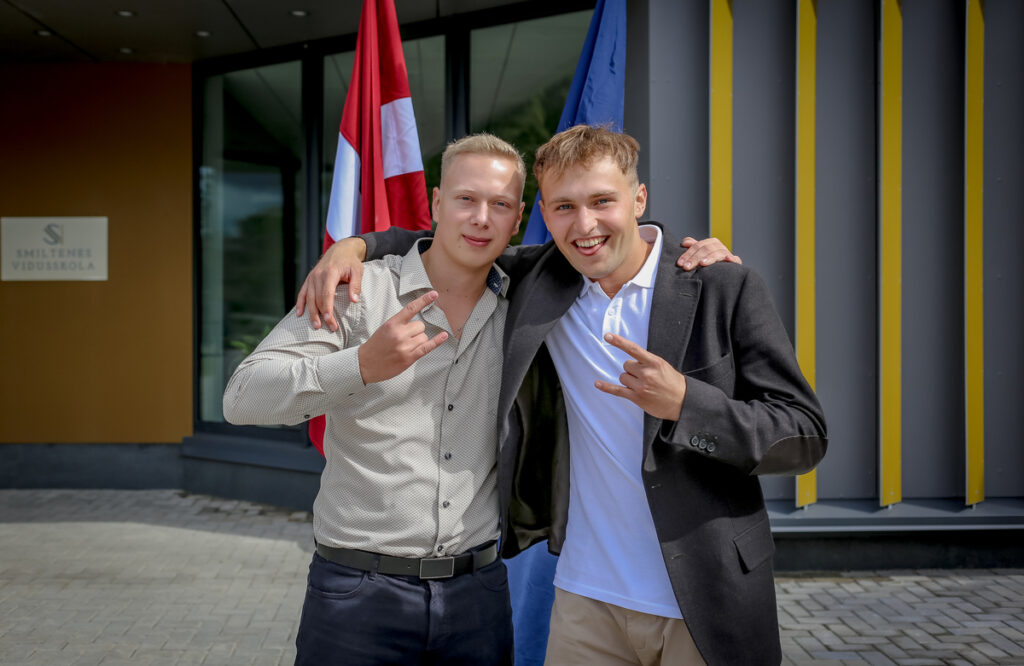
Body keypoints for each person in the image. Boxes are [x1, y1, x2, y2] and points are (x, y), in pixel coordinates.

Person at [303, 125, 827, 665]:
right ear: (543, 214)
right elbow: (448, 243)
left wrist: (686, 404)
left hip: (705, 595)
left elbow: (804, 435)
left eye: (602, 201)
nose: (585, 225)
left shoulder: (722, 285)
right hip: (585, 601)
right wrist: (354, 246)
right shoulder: (542, 278)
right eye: (564, 207)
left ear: (638, 199)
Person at [223, 134, 526, 665]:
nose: (481, 218)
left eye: (500, 204)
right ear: (437, 202)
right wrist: (361, 365)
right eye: (466, 199)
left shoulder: (524, 303)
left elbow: (609, 244)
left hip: (478, 596)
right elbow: (242, 397)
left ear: (518, 218)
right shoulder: (357, 291)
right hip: (358, 594)